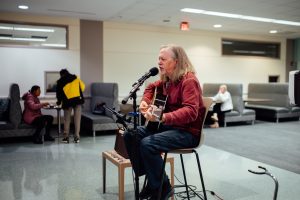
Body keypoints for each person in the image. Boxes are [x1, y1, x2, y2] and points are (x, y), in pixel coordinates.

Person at [123, 44, 205, 200]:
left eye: (163, 59)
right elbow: (150, 87)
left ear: (175, 61)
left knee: (148, 144)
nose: (159, 62)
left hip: (187, 132)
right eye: (158, 58)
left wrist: (163, 117)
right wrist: (145, 101)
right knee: (130, 135)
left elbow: (191, 112)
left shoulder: (189, 81)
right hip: (169, 128)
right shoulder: (168, 80)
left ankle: (162, 187)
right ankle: (155, 183)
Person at [56, 69, 85, 143]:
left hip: (67, 102)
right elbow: (83, 87)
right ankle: (77, 137)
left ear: (61, 74)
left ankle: (66, 138)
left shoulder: (60, 81)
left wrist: (59, 102)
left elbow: (58, 94)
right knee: (77, 119)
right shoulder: (76, 77)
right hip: (78, 101)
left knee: (67, 119)